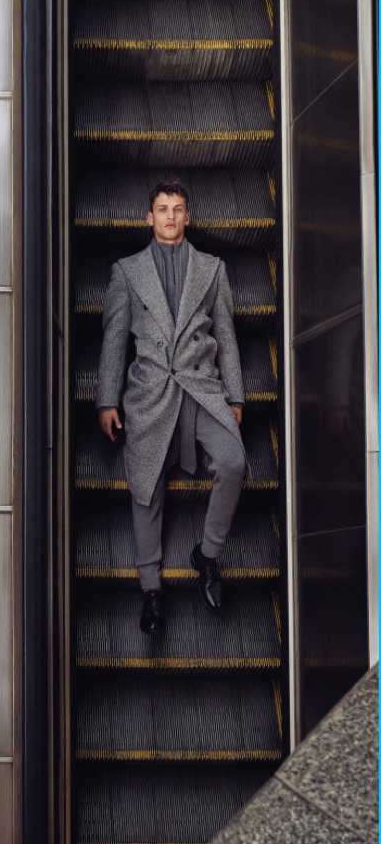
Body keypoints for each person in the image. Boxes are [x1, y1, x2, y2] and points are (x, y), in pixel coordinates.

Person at [96, 178, 246, 635]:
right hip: (150, 391)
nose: (171, 217)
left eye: (178, 209)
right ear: (150, 216)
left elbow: (226, 334)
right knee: (145, 486)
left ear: (187, 216)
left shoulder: (212, 268)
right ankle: (152, 591)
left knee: (234, 461)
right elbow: (114, 339)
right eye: (163, 209)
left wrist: (235, 396)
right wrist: (106, 399)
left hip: (202, 388)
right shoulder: (127, 271)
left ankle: (207, 554)